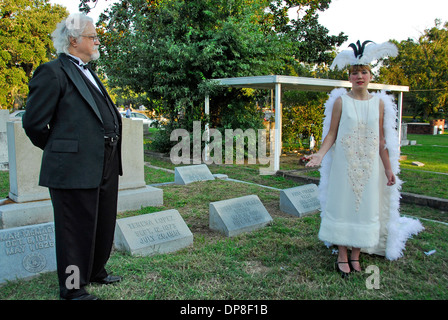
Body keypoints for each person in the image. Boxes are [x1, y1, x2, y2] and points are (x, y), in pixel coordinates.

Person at [23, 13, 123, 299]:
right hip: (72, 166)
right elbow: (34, 123)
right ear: (73, 40)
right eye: (92, 36)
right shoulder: (52, 72)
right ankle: (72, 288)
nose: (97, 41)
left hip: (104, 160)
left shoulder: (89, 72)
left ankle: (93, 271)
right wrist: (60, 149)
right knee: (73, 229)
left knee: (101, 220)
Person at [306, 41, 424, 278]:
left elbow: (381, 141)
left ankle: (356, 254)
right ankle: (341, 254)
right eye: (354, 72)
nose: (359, 76)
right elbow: (331, 134)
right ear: (349, 76)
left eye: (364, 72)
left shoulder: (379, 104)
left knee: (363, 208)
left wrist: (389, 169)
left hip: (370, 168)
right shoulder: (341, 101)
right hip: (344, 165)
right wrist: (319, 154)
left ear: (370, 75)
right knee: (342, 205)